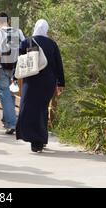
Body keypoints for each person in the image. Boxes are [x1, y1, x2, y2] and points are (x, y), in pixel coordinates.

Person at [15, 19, 65, 153]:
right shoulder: (52, 44)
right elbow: (58, 64)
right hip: (48, 82)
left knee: (27, 108)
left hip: (31, 80)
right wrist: (60, 83)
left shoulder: (27, 41)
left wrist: (14, 78)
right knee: (42, 109)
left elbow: (19, 60)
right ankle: (40, 139)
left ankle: (33, 139)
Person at [0, 12, 25, 135]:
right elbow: (25, 46)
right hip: (16, 68)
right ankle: (7, 122)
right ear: (9, 20)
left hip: (1, 67)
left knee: (4, 94)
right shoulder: (19, 31)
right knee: (10, 94)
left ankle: (12, 123)